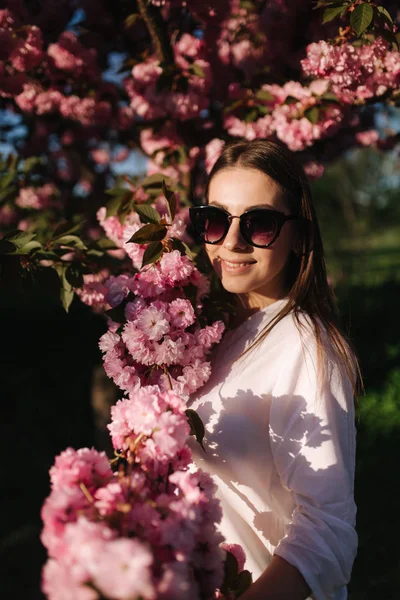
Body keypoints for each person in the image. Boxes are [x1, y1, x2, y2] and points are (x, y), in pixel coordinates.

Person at [187, 138, 363, 600]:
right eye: (215, 219)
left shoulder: (304, 346)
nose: (231, 241)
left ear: (300, 236)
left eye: (260, 223)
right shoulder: (209, 330)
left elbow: (328, 532)